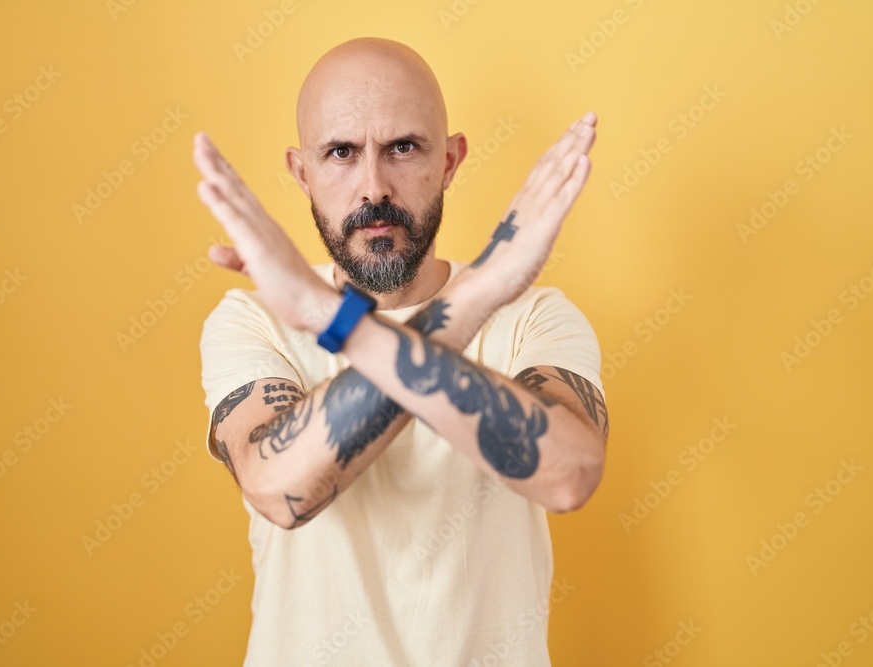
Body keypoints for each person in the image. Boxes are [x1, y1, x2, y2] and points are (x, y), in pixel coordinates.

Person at [194, 36, 608, 666]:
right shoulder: (255, 320)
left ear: (448, 161)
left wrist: (334, 322)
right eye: (340, 152)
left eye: (403, 148)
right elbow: (280, 491)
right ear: (302, 172)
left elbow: (569, 473)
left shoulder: (534, 318)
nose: (373, 188)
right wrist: (475, 295)